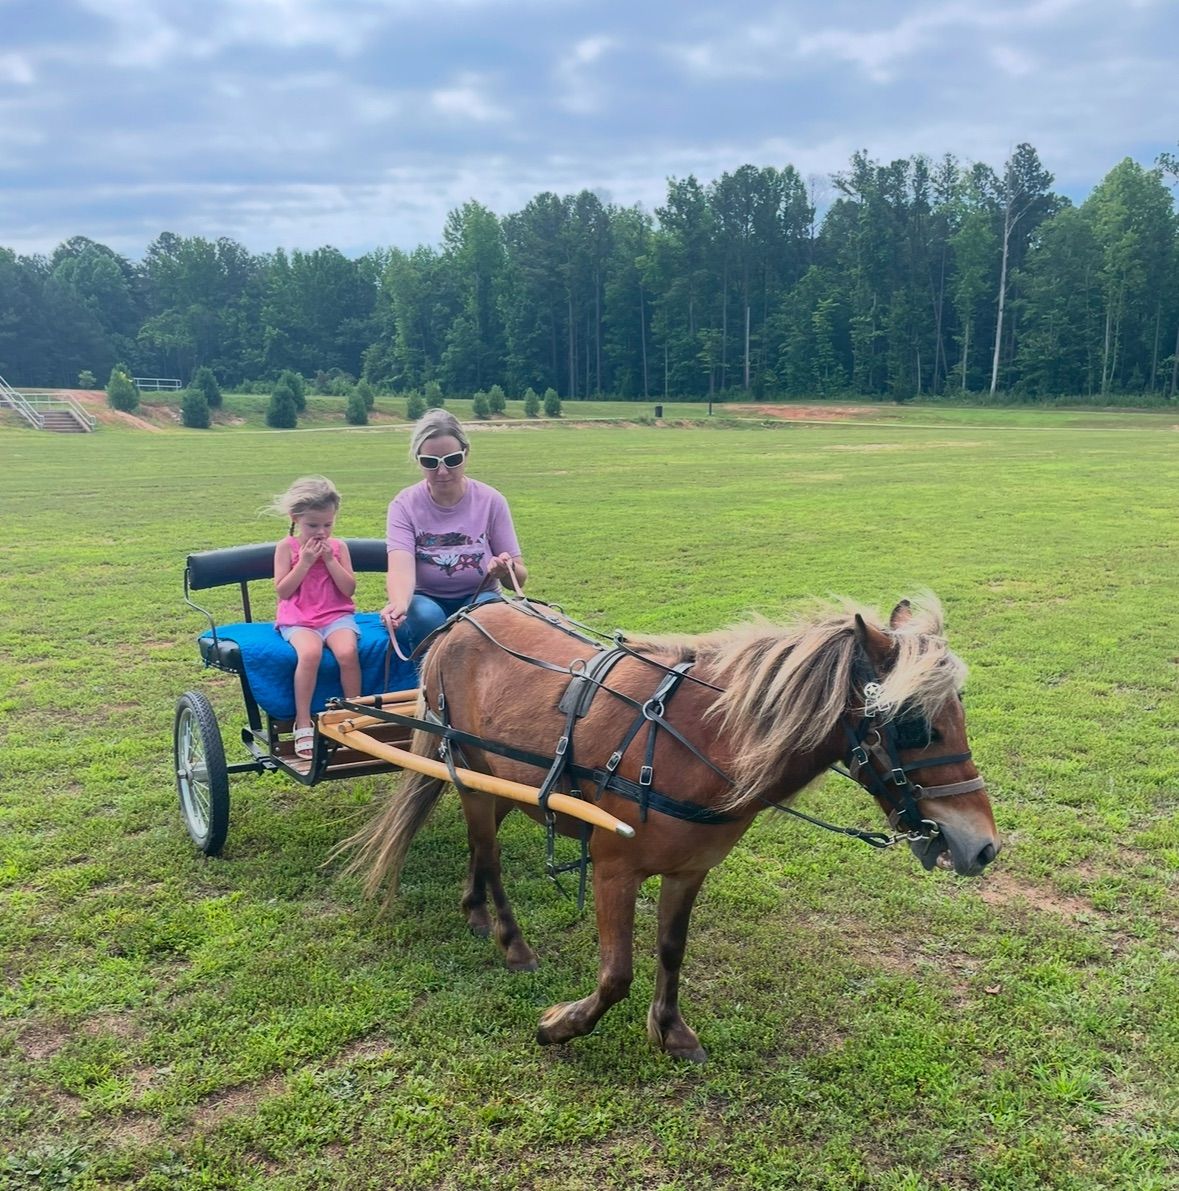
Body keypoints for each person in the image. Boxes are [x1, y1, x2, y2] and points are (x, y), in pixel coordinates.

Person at [382, 410, 527, 651]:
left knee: (485, 620)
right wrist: (399, 604)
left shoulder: (491, 500)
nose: (442, 472)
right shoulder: (403, 505)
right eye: (430, 462)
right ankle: (432, 685)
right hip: (425, 598)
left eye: (452, 460)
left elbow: (519, 579)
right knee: (427, 619)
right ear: (418, 459)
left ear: (466, 454)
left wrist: (505, 569)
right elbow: (400, 568)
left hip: (480, 595)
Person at [269, 476, 361, 758]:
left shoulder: (339, 548)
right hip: (298, 618)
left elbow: (349, 589)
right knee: (309, 655)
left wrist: (330, 560)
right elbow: (283, 591)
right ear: (295, 519)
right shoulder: (287, 547)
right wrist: (305, 562)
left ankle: (354, 713)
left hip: (335, 615)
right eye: (313, 526)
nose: (321, 532)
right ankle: (302, 720)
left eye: (327, 525)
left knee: (347, 652)